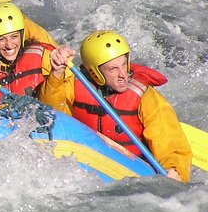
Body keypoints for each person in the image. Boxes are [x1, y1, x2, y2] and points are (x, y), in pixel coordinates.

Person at [39, 30, 192, 182]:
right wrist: (57, 74)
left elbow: (171, 144)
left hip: (133, 170)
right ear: (94, 72)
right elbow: (54, 116)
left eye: (124, 64)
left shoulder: (145, 96)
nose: (122, 75)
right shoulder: (75, 85)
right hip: (89, 160)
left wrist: (174, 169)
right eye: (112, 69)